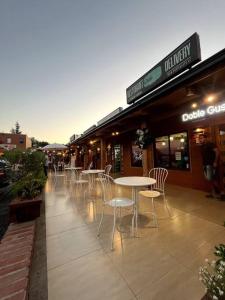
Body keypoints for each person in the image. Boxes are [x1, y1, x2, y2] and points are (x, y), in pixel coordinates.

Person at [199, 134, 220, 198]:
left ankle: (221, 194)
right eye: (200, 138)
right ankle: (212, 193)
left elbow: (217, 152)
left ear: (206, 138)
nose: (200, 139)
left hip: (211, 164)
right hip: (206, 165)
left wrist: (215, 162)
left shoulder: (210, 144)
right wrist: (203, 165)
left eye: (202, 138)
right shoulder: (202, 146)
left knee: (214, 179)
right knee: (209, 179)